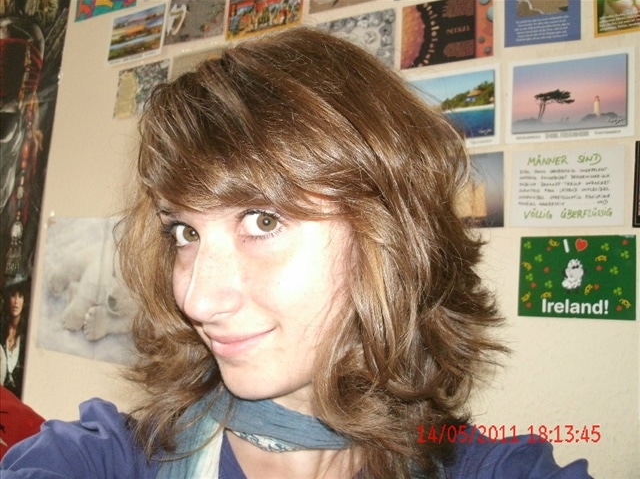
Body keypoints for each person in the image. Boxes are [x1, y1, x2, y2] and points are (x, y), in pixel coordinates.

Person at [0, 27, 592, 478]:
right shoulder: (113, 458)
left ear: (390, 234)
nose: (197, 299)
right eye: (184, 233)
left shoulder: (490, 469)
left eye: (262, 221)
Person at [0, 281, 28, 397]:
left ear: (24, 301)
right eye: (13, 295)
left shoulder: (27, 335)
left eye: (20, 296)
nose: (16, 301)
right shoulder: (1, 330)